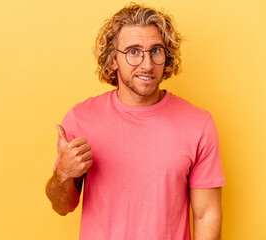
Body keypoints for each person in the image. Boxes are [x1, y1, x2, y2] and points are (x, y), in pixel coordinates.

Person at [45, 3, 226, 240]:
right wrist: (62, 174)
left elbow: (206, 214)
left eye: (156, 51)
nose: (147, 64)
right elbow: (62, 206)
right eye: (133, 51)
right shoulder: (81, 119)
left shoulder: (198, 124)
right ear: (113, 60)